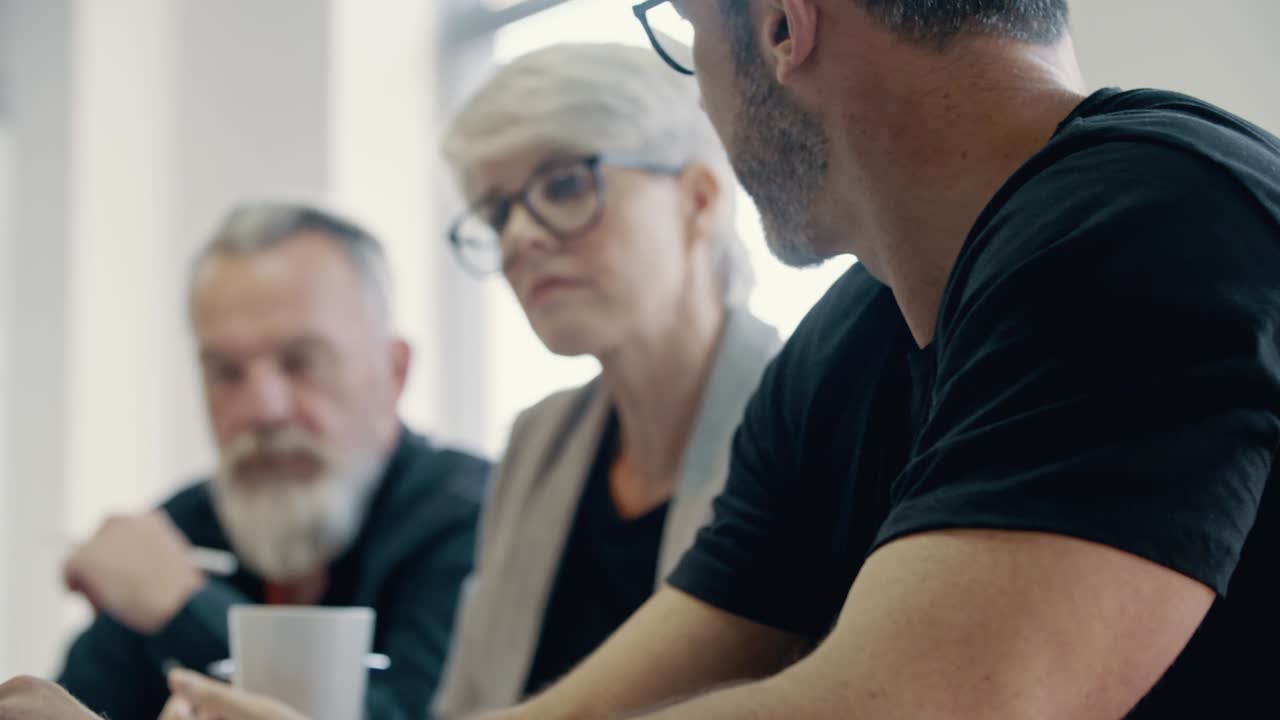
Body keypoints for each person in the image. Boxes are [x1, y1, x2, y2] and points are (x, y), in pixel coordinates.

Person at [458, 1, 1275, 718]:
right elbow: (605, 700)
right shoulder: (851, 338)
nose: (702, 93)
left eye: (688, 28)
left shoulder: (1144, 227)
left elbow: (912, 708)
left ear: (783, 23)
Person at [430, 42, 779, 718]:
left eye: (563, 184)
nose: (518, 238)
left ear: (699, 200)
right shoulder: (537, 444)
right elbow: (465, 704)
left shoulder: (810, 409)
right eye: (497, 211)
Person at [54, 202, 490, 720]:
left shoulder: (478, 518)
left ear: (393, 373)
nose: (263, 409)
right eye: (226, 372)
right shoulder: (184, 528)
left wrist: (184, 608)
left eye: (301, 362)